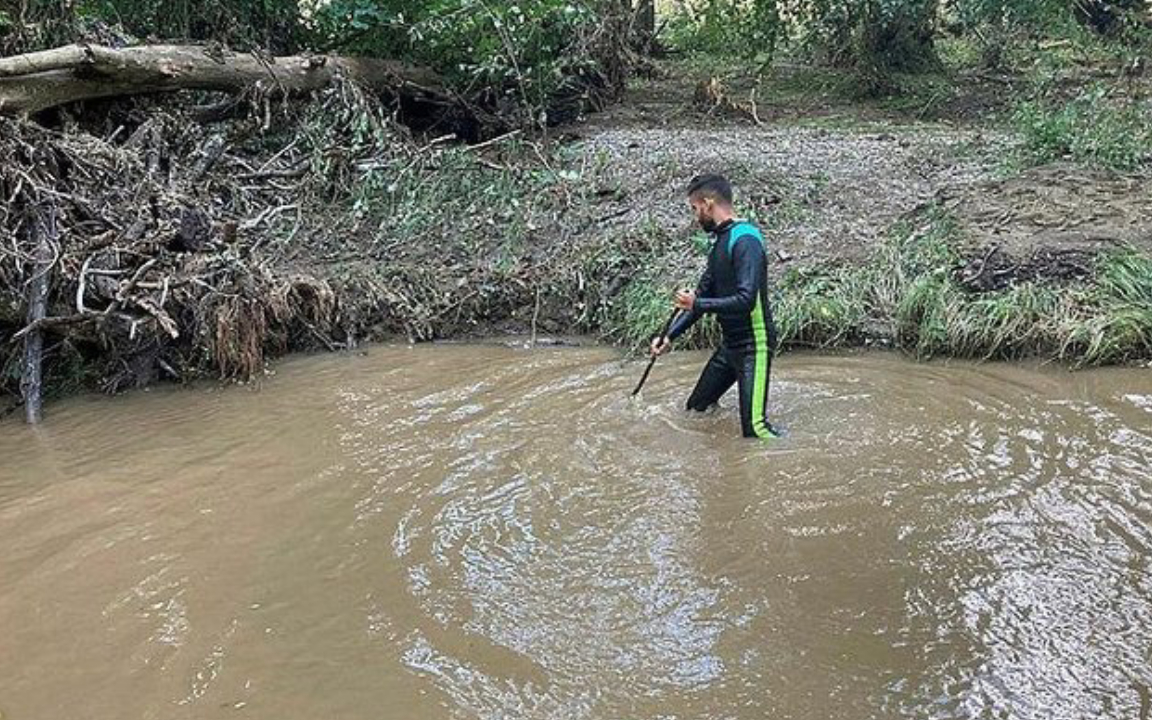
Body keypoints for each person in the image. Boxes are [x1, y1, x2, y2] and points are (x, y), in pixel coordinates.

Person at [650, 174, 780, 439]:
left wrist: (698, 302)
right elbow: (700, 300)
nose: (695, 217)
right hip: (730, 345)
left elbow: (745, 300)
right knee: (697, 409)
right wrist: (669, 337)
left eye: (695, 209)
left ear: (708, 204)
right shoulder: (721, 242)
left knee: (755, 430)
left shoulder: (746, 240)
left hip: (754, 345)